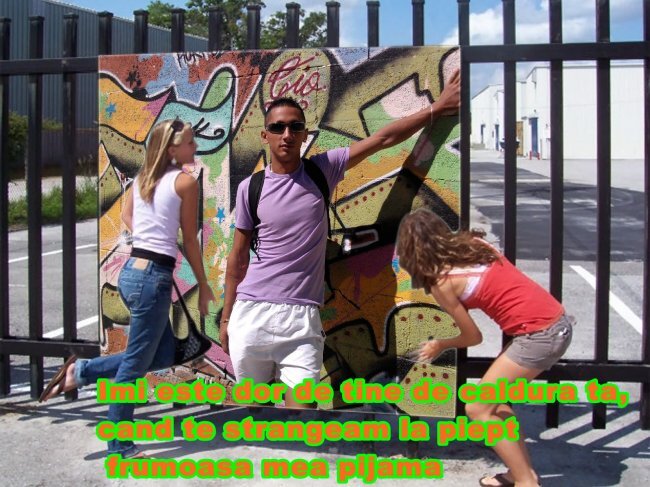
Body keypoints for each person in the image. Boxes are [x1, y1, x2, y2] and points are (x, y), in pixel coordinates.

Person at [220, 70, 461, 409]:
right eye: (278, 127)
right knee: (254, 414)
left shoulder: (322, 170)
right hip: (251, 315)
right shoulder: (251, 188)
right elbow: (237, 258)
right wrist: (227, 318)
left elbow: (383, 139)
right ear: (265, 135)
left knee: (301, 417)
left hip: (301, 319)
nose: (286, 134)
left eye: (295, 127)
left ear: (305, 134)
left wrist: (437, 108)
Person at [39, 119, 216, 459]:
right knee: (134, 367)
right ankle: (119, 444)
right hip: (152, 279)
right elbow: (191, 242)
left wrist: (150, 239)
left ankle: (83, 371)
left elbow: (126, 216)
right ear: (172, 148)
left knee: (162, 356)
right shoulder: (185, 182)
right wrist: (203, 284)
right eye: (190, 143)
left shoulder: (142, 179)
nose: (195, 147)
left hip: (132, 273)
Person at [396, 208, 574, 487]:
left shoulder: (443, 283)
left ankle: (526, 482)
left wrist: (440, 344)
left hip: (539, 336)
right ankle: (519, 473)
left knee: (478, 409)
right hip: (554, 322)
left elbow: (472, 337)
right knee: (496, 405)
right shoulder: (476, 246)